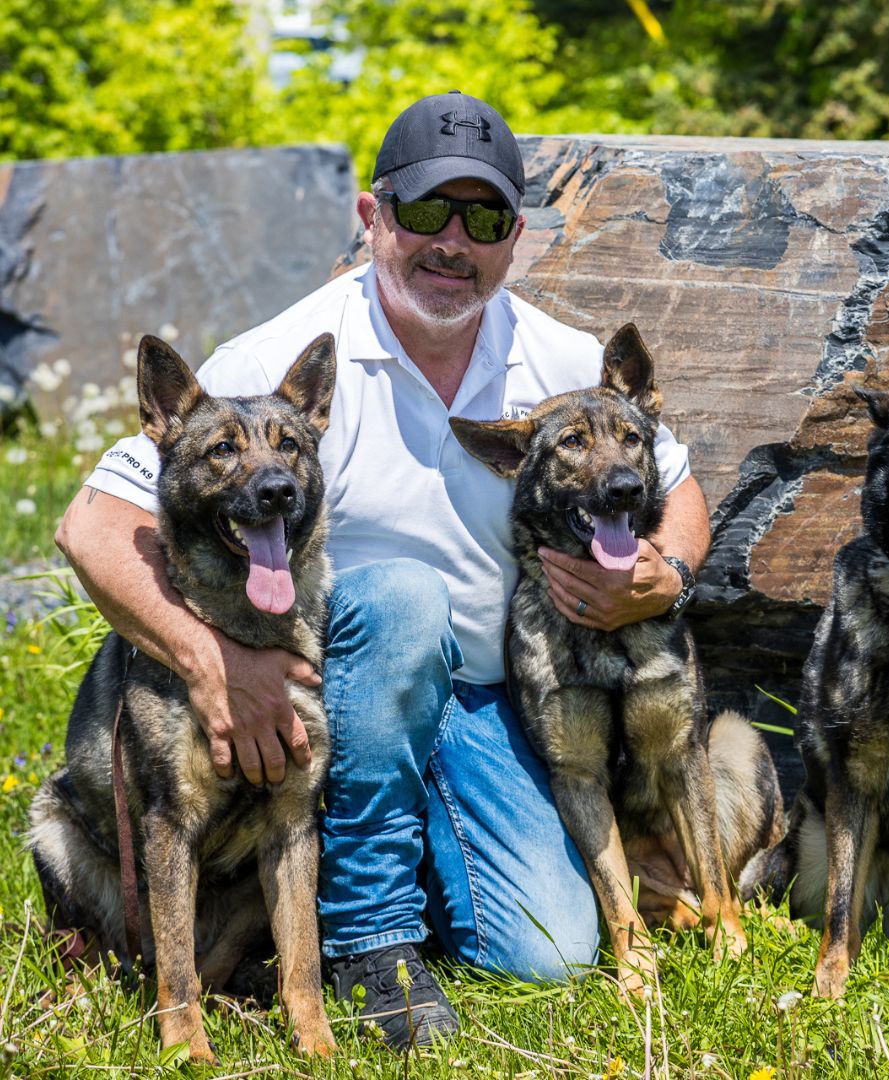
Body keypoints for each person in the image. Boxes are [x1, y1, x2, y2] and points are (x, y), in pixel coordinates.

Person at [56, 91, 711, 1049]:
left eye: (482, 219)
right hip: (341, 676)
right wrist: (211, 665)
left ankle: (381, 877)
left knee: (552, 951)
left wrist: (668, 573)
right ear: (373, 218)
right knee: (404, 597)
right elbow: (89, 527)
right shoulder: (285, 356)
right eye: (425, 211)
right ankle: (369, 937)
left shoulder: (557, 357)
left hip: (490, 699)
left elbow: (680, 481)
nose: (453, 241)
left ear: (513, 238)